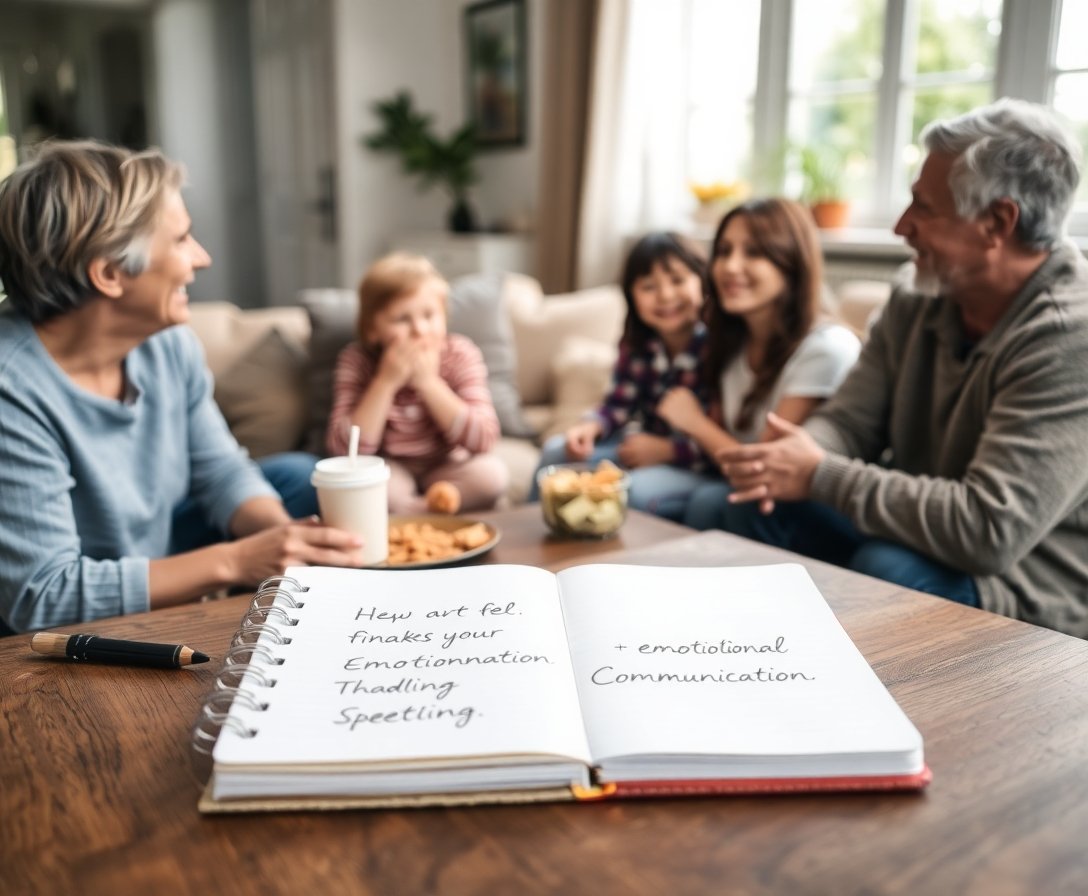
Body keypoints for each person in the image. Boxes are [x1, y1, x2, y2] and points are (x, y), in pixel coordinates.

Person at [719, 98, 1088, 637]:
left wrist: (819, 472)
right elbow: (848, 423)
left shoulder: (1070, 337)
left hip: (1022, 579)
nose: (900, 226)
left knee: (886, 569)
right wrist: (786, 457)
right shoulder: (917, 295)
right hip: (915, 525)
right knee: (744, 506)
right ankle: (744, 662)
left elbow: (987, 530)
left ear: (996, 222)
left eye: (923, 207)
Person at [0, 140, 365, 636]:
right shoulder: (12, 387)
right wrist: (237, 561)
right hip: (58, 615)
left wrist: (281, 544)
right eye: (181, 240)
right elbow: (41, 594)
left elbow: (220, 470)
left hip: (161, 544)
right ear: (109, 273)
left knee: (298, 478)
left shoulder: (168, 343)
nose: (202, 258)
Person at [656, 198, 860, 529]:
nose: (730, 266)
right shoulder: (732, 341)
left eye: (754, 252)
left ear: (791, 262)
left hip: (813, 504)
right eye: (723, 251)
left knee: (710, 503)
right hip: (738, 484)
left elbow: (760, 469)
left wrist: (694, 423)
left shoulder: (826, 348)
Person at [528, 232, 715, 521]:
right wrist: (591, 427)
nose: (665, 295)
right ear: (631, 296)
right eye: (649, 287)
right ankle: (533, 539)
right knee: (556, 452)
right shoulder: (639, 345)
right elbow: (617, 405)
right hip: (644, 450)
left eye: (677, 281)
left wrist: (667, 450)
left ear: (703, 281)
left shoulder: (716, 348)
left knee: (630, 490)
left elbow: (726, 438)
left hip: (696, 465)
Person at [325, 252, 507, 514]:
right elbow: (345, 450)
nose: (419, 330)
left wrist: (429, 383)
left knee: (491, 475)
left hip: (448, 465)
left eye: (429, 315)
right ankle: (429, 513)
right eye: (402, 319)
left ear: (444, 317)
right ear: (372, 329)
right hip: (391, 466)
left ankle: (422, 510)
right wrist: (385, 382)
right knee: (368, 488)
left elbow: (484, 439)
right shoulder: (356, 361)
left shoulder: (461, 354)